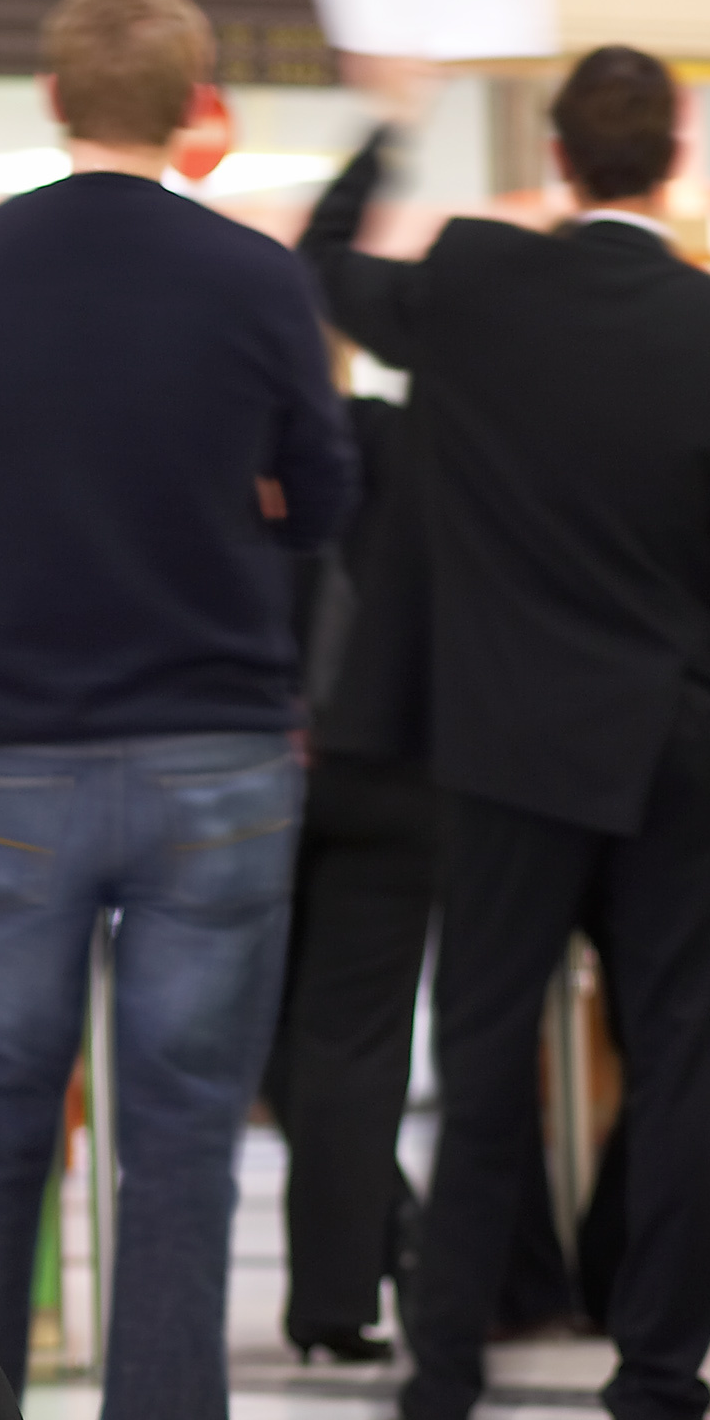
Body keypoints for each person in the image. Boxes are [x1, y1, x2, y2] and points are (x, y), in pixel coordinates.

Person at [308, 48, 710, 1420]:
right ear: (676, 152)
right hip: (674, 750)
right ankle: (655, 1399)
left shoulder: (475, 286)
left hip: (500, 752)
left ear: (556, 152)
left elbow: (322, 265)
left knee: (481, 1069)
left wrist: (388, 123)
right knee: (677, 1071)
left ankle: (438, 1397)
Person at [0, 0, 357, 1420]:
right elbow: (325, 487)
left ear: (51, 97)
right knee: (179, 1130)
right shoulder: (254, 275)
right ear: (194, 107)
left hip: (16, 748)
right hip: (216, 748)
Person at [258, 365, 432, 1367]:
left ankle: (381, 1230)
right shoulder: (413, 452)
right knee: (354, 1043)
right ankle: (341, 1291)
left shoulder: (241, 455)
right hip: (394, 774)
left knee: (263, 1030)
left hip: (256, 771)